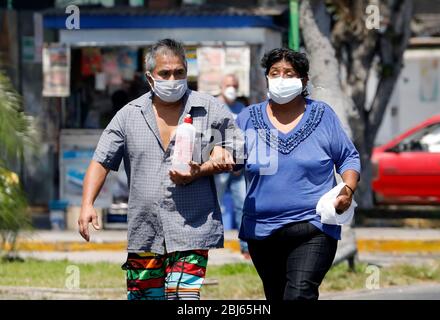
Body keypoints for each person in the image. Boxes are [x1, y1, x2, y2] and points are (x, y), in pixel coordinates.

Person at [78, 39, 238, 300]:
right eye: (165, 73)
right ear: (150, 77)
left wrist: (209, 164)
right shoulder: (129, 115)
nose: (173, 79)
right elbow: (101, 160)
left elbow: (238, 154)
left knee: (184, 296)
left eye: (179, 72)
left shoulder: (210, 110)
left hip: (192, 226)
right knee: (146, 297)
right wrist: (87, 204)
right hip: (145, 230)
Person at [235, 48, 361, 300]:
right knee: (276, 295)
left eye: (289, 73)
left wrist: (347, 189)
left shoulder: (322, 115)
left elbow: (348, 157)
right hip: (262, 230)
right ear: (266, 78)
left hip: (313, 226)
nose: (281, 78)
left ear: (303, 81)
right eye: (275, 73)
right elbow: (231, 160)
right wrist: (214, 157)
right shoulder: (248, 118)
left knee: (299, 294)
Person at [214, 74, 249, 258]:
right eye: (228, 85)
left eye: (235, 85)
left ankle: (246, 248)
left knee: (242, 205)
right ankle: (210, 245)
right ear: (221, 86)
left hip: (237, 167)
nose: (232, 88)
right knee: (214, 205)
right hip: (217, 166)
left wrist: (239, 163)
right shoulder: (212, 105)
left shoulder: (241, 108)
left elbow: (244, 137)